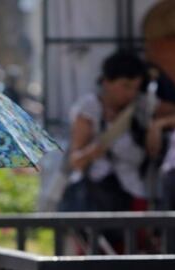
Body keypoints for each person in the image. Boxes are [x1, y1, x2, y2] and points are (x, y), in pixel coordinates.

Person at [61, 51, 158, 212]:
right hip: (97, 197)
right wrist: (92, 152)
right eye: (125, 86)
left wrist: (157, 126)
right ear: (106, 82)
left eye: (136, 88)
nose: (131, 93)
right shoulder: (90, 107)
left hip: (134, 194)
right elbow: (75, 160)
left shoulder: (140, 108)